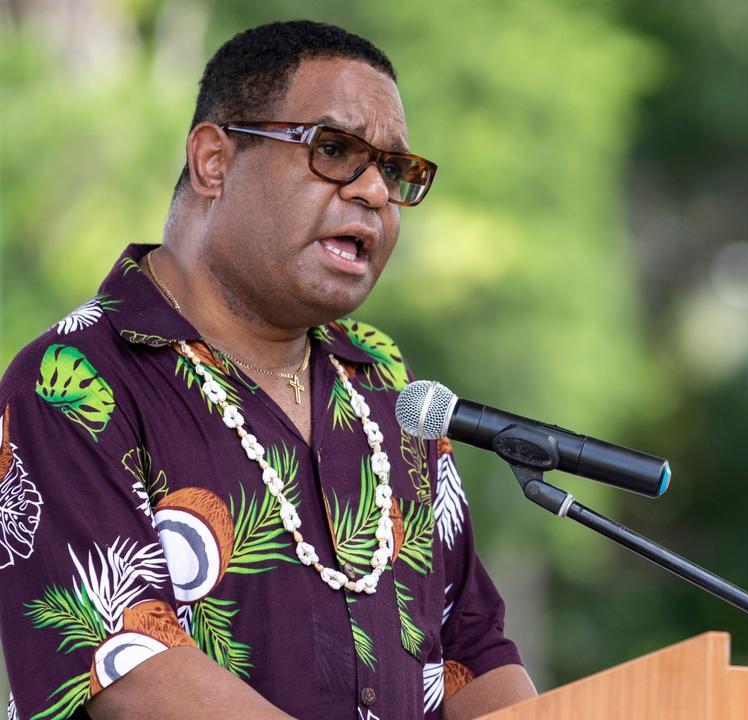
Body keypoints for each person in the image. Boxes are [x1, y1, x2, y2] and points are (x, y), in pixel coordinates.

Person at [0, 20, 535, 720]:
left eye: (396, 170)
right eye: (335, 150)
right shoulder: (75, 378)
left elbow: (470, 652)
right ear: (214, 161)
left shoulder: (382, 384)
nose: (374, 190)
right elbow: (129, 669)